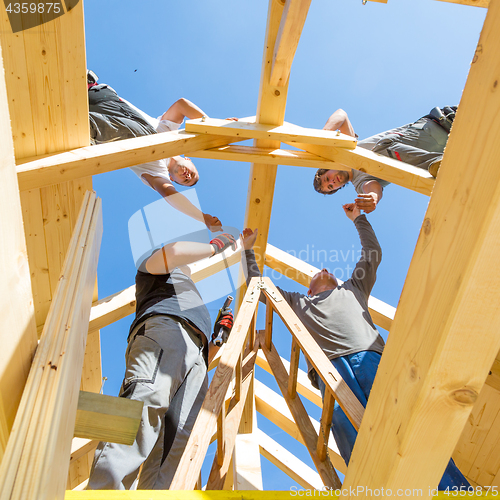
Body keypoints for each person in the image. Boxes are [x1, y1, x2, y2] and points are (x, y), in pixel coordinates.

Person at [240, 205, 469, 490]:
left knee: (405, 431)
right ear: (309, 288)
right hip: (329, 374)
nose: (323, 269)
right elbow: (258, 287)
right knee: (358, 448)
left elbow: (372, 253)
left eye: (327, 269)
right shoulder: (298, 302)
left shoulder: (353, 288)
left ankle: (455, 492)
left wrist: (359, 218)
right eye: (316, 272)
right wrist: (247, 250)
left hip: (370, 358)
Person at [87, 233, 237, 490]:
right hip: (164, 329)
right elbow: (175, 251)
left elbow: (196, 352)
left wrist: (219, 338)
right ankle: (105, 492)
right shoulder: (152, 269)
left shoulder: (188, 291)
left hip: (197, 354)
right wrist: (215, 246)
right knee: (144, 405)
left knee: (177, 440)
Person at [87, 70, 223, 231]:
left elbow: (169, 195)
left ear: (172, 179)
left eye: (186, 180)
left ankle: (85, 129)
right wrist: (214, 126)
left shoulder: (156, 171)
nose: (187, 176)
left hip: (93, 122)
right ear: (189, 160)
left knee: (145, 142)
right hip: (99, 95)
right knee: (149, 136)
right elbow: (182, 105)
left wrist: (202, 217)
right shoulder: (168, 131)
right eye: (192, 174)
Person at [313, 107, 456, 213]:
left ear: (328, 168)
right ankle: (444, 167)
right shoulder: (359, 184)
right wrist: (373, 197)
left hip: (442, 121)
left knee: (380, 152)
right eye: (331, 187)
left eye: (327, 179)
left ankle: (441, 164)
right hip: (454, 144)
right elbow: (372, 187)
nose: (332, 182)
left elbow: (341, 115)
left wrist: (324, 135)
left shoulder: (350, 149)